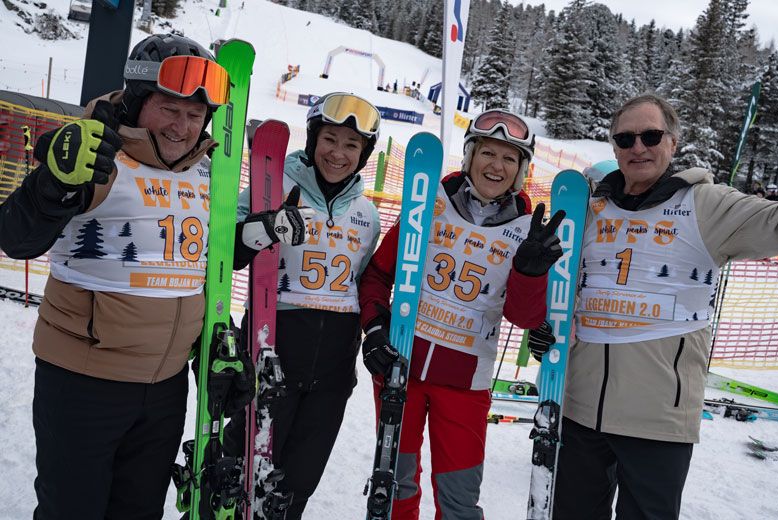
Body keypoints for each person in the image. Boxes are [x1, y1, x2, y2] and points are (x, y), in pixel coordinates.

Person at [0, 33, 309, 519]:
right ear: (139, 100)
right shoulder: (97, 156)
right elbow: (16, 238)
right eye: (170, 108)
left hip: (165, 389)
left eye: (194, 115)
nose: (182, 127)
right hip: (86, 381)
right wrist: (50, 185)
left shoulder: (206, 173)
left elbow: (206, 261)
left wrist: (259, 235)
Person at [553, 93, 778, 519]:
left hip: (657, 418)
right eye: (625, 138)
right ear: (613, 147)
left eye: (651, 135)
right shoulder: (592, 206)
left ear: (673, 142)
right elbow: (560, 287)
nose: (638, 147)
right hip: (581, 405)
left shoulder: (706, 205)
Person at [358, 109, 564, 519]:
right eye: (488, 152)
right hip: (402, 367)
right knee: (394, 483)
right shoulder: (429, 203)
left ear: (521, 170)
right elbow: (378, 275)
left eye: (510, 158)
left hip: (467, 381)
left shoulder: (528, 229)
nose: (496, 166)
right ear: (469, 156)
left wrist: (529, 270)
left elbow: (524, 318)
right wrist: (375, 328)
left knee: (458, 499)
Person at [227, 92, 383, 518]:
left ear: (364, 154)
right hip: (273, 350)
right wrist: (266, 226)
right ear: (314, 139)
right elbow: (227, 249)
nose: (338, 153)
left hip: (333, 369)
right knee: (244, 471)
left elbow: (367, 284)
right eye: (330, 139)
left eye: (352, 145)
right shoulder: (272, 185)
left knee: (297, 485)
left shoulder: (367, 215)